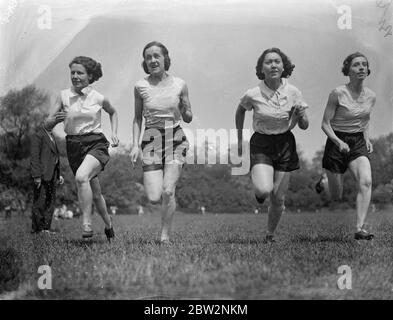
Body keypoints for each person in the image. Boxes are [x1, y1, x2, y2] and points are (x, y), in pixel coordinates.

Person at [235, 47, 309, 242]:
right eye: (268, 62)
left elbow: (304, 125)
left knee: (278, 198)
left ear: (283, 66)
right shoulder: (253, 93)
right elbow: (240, 111)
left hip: (285, 143)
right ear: (262, 68)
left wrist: (301, 116)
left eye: (277, 61)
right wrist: (239, 139)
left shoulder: (293, 92)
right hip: (262, 143)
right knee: (264, 190)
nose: (273, 65)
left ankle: (270, 234)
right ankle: (259, 191)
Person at [45, 56, 118, 241]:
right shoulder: (63, 96)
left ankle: (86, 223)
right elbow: (47, 123)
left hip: (96, 143)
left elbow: (113, 112)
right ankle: (109, 226)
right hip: (74, 146)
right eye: (73, 73)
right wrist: (54, 120)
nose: (75, 76)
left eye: (80, 73)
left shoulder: (98, 97)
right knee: (96, 193)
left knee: (81, 177)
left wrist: (114, 133)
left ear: (90, 75)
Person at [130, 41, 193, 244]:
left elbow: (189, 116)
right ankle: (166, 205)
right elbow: (138, 118)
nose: (152, 60)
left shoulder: (180, 84)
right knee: (154, 196)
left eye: (156, 56)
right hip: (150, 140)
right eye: (148, 57)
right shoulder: (140, 86)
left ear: (166, 58)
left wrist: (185, 109)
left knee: (168, 190)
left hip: (175, 137)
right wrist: (134, 144)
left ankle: (164, 236)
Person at [321, 52, 376, 240]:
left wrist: (367, 138)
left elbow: (365, 119)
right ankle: (325, 182)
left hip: (358, 141)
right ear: (348, 70)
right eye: (356, 65)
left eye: (364, 64)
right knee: (337, 195)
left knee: (366, 181)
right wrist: (338, 141)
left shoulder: (371, 96)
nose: (361, 67)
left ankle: (360, 228)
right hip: (336, 140)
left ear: (367, 70)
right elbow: (325, 124)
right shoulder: (337, 93)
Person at [30, 123, 64, 234]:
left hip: (53, 175)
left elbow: (54, 158)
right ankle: (37, 229)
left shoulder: (52, 136)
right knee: (40, 201)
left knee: (50, 202)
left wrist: (59, 174)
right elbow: (34, 157)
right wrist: (36, 176)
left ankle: (46, 228)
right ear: (44, 121)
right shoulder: (38, 135)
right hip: (42, 175)